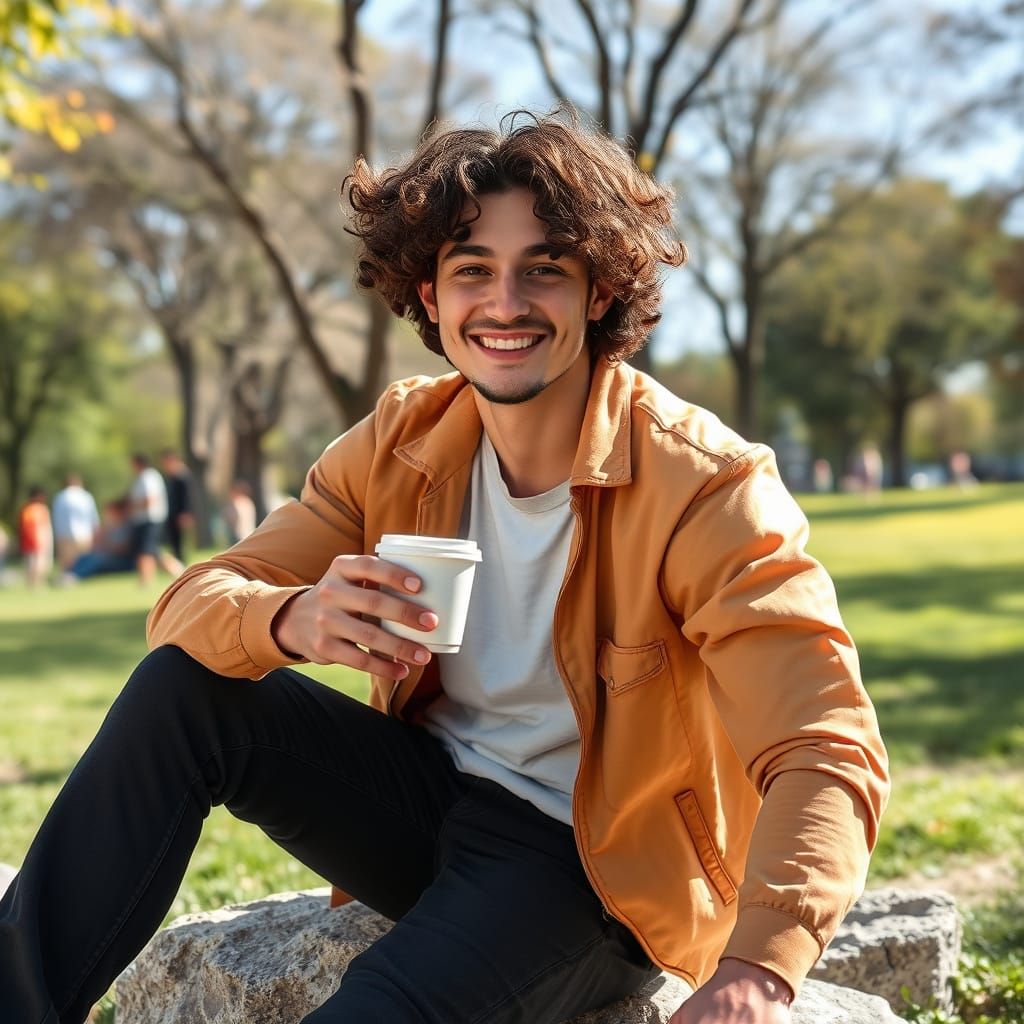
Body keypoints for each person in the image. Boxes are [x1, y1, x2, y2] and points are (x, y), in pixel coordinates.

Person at [0, 109, 888, 1024]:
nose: (505, 303)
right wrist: (291, 618)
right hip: (422, 803)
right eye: (473, 271)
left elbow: (825, 743)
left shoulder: (705, 485)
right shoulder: (404, 437)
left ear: (597, 289)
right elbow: (191, 600)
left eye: (544, 268)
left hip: (592, 869)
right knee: (179, 693)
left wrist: (759, 970)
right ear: (429, 296)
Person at [128, 452, 184, 585]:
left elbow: (150, 499)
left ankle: (146, 579)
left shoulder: (148, 477)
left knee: (146, 549)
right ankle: (176, 571)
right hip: (145, 520)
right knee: (153, 550)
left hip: (150, 519)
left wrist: (133, 506)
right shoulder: (143, 477)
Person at [68, 498, 136, 580]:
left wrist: (108, 546)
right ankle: (69, 573)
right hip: (108, 556)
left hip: (122, 561)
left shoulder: (126, 528)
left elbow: (124, 549)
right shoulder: (111, 527)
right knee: (84, 557)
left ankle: (76, 576)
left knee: (96, 560)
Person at [51, 474, 100, 576]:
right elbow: (93, 516)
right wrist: (96, 531)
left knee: (66, 561)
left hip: (64, 534)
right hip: (84, 533)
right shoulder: (85, 496)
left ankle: (67, 577)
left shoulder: (60, 497)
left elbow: (56, 517)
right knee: (82, 559)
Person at [159, 449, 194, 563]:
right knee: (174, 542)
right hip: (172, 514)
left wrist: (186, 513)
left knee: (181, 542)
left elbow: (187, 497)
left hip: (181, 514)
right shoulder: (172, 477)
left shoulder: (183, 476)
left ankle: (182, 563)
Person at [17, 486, 53, 589]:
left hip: (39, 542)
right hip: (33, 542)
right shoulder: (30, 510)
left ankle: (37, 584)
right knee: (34, 565)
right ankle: (33, 585)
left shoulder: (40, 509)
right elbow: (29, 527)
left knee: (41, 564)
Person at [221, 479, 257, 545]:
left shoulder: (237, 503)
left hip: (239, 535)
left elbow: (231, 518)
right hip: (249, 533)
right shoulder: (248, 502)